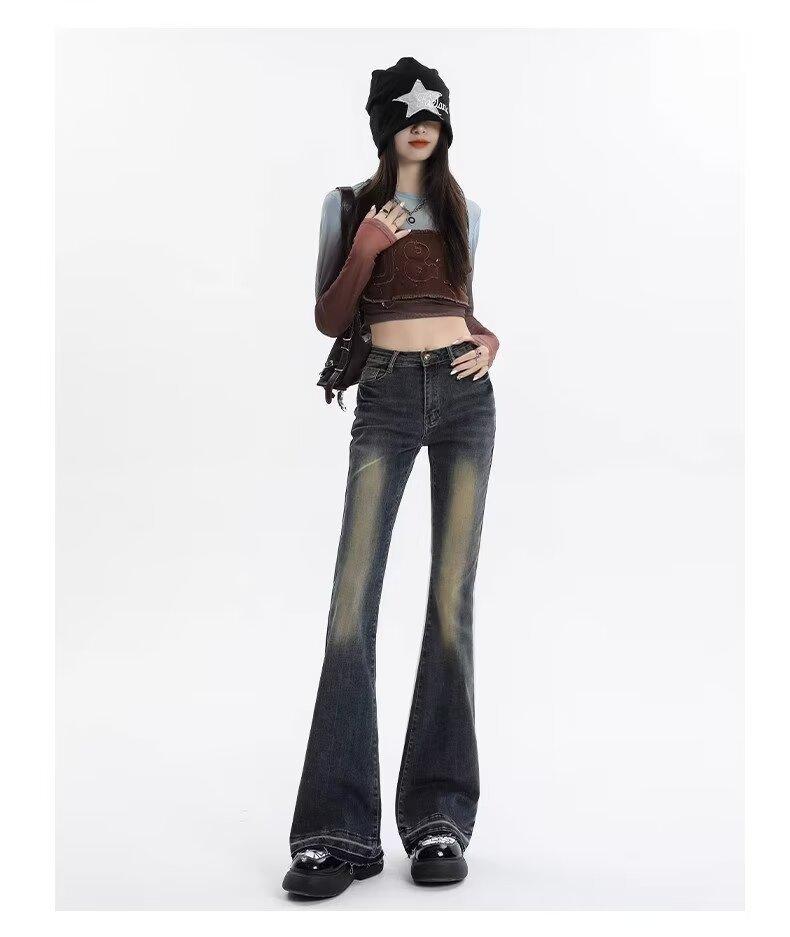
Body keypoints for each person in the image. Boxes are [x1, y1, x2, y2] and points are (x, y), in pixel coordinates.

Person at [283, 56, 499, 899]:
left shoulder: (464, 212)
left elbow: (457, 306)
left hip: (466, 398)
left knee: (451, 601)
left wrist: (488, 337)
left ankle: (439, 815)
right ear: (384, 126)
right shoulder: (347, 207)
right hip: (384, 397)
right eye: (408, 116)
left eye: (433, 116)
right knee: (353, 601)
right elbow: (329, 317)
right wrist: (368, 247)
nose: (422, 127)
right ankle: (335, 830)